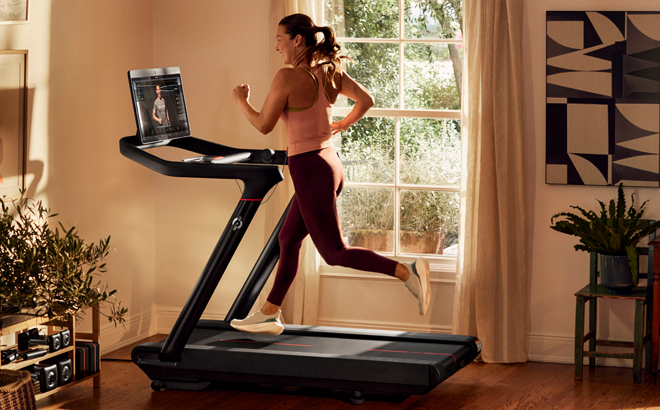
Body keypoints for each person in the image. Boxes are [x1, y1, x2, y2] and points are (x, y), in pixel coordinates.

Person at [230, 13, 431, 336]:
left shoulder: (286, 77)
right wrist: (341, 125)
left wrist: (242, 101)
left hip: (309, 168)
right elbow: (366, 100)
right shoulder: (330, 71)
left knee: (334, 252)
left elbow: (263, 125)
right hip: (329, 163)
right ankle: (270, 313)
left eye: (280, 39)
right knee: (288, 239)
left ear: (297, 40)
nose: (277, 46)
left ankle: (408, 273)